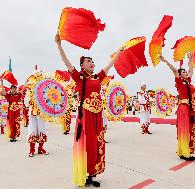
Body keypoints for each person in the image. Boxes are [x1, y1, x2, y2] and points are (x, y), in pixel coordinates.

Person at [55, 33, 123, 187]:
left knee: (97, 144)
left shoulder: (97, 78)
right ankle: (84, 174)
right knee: (87, 144)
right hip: (85, 115)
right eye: (88, 61)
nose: (92, 63)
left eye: (92, 61)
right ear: (82, 65)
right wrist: (59, 45)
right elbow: (66, 62)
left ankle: (92, 174)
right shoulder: (79, 77)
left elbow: (109, 64)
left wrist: (118, 52)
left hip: (97, 115)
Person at [160, 53, 195, 161]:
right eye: (184, 72)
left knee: (189, 129)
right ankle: (185, 154)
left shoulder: (188, 81)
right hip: (184, 108)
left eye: (185, 72)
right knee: (185, 129)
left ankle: (183, 151)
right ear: (180, 75)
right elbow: (175, 71)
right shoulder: (179, 82)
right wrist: (165, 60)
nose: (186, 73)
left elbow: (191, 70)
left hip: (189, 108)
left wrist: (191, 59)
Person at [24, 76, 48, 157]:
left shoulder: (44, 90)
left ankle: (41, 149)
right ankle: (32, 150)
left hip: (41, 113)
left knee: (42, 130)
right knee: (32, 131)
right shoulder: (29, 91)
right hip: (32, 113)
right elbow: (26, 103)